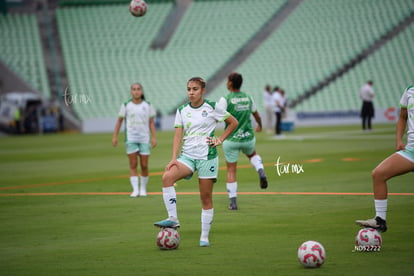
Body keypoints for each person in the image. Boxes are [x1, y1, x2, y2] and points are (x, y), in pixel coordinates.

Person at [153, 77, 238, 247]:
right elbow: (178, 135)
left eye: (195, 89)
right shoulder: (182, 110)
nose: (191, 92)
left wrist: (220, 139)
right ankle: (173, 218)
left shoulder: (213, 107)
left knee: (205, 197)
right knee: (167, 177)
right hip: (187, 157)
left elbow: (233, 123)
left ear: (203, 91)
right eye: (189, 89)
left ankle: (204, 237)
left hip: (207, 157)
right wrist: (173, 158)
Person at [356, 85, 414, 232]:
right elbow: (402, 117)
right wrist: (398, 140)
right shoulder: (409, 91)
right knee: (378, 174)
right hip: (410, 151)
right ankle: (380, 220)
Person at [217, 72, 268, 210]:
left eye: (227, 80)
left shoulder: (225, 99)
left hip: (231, 139)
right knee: (252, 154)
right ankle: (260, 170)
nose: (226, 83)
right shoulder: (248, 98)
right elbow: (257, 115)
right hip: (247, 137)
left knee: (231, 170)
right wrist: (260, 126)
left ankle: (233, 202)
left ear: (231, 83)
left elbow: (216, 116)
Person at [112, 82, 157, 197]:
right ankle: (135, 189)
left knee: (144, 165)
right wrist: (115, 136)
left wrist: (154, 137)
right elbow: (119, 121)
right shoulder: (126, 105)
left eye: (138, 89)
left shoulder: (148, 105)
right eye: (134, 89)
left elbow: (151, 122)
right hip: (131, 138)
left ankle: (143, 189)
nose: (136, 91)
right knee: (133, 164)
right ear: (131, 91)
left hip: (144, 138)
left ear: (141, 91)